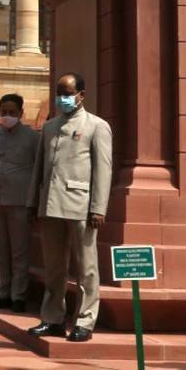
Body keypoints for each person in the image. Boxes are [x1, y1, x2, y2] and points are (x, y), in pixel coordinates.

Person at [26, 73, 113, 343]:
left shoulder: (97, 126)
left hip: (81, 206)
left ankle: (85, 321)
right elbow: (38, 169)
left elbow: (103, 170)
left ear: (81, 95)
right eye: (59, 92)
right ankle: (52, 318)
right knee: (54, 267)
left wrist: (98, 207)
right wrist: (32, 203)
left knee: (86, 268)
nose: (63, 98)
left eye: (68, 93)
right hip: (50, 205)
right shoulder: (50, 127)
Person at [0, 93, 39, 313]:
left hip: (20, 200)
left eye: (12, 112)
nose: (7, 116)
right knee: (1, 251)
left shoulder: (32, 137)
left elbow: (38, 167)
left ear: (21, 113)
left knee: (19, 251)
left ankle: (19, 296)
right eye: (4, 112)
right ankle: (2, 292)